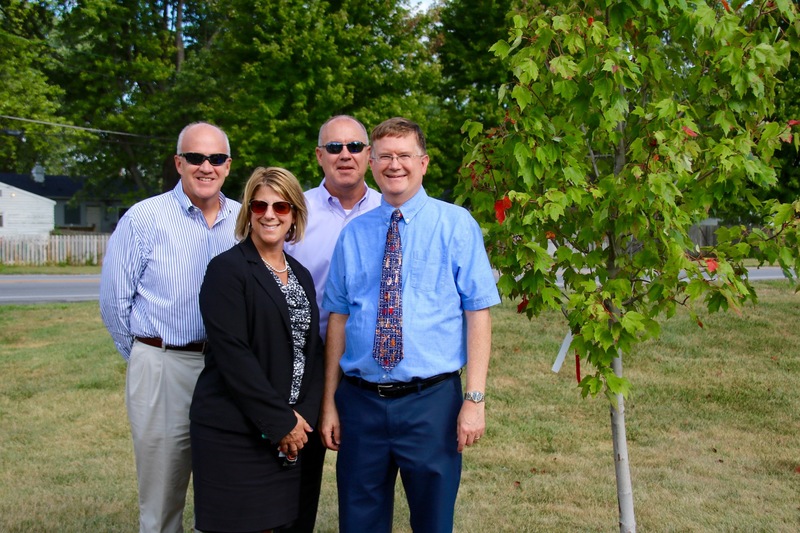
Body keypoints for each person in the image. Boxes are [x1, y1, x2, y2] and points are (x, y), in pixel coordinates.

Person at [320, 117, 501, 533]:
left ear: (424, 163)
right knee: (359, 522)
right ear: (372, 164)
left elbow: (478, 313)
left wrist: (474, 399)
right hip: (361, 404)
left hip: (431, 403)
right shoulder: (354, 234)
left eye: (404, 155)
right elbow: (339, 318)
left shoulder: (456, 225)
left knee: (433, 522)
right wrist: (330, 401)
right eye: (385, 156)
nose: (394, 165)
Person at [99, 122, 240, 533]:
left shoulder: (244, 219)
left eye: (215, 158)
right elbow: (114, 303)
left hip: (227, 371)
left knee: (227, 489)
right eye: (195, 158)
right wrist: (148, 354)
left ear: (228, 166)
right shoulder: (145, 218)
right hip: (163, 363)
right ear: (179, 163)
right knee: (162, 494)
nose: (206, 167)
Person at [190, 166, 324, 532]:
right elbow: (235, 358)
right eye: (259, 205)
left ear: (294, 214)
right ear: (247, 212)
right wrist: (282, 423)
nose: (269, 214)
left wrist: (302, 420)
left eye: (281, 207)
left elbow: (313, 352)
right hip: (238, 437)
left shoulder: (300, 273)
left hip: (297, 437)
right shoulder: (227, 271)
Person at [282, 114, 381, 533]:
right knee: (296, 481)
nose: (346, 155)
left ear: (369, 156)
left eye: (355, 147)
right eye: (335, 148)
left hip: (371, 363)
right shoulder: (293, 212)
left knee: (367, 483)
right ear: (319, 156)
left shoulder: (390, 208)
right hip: (304, 360)